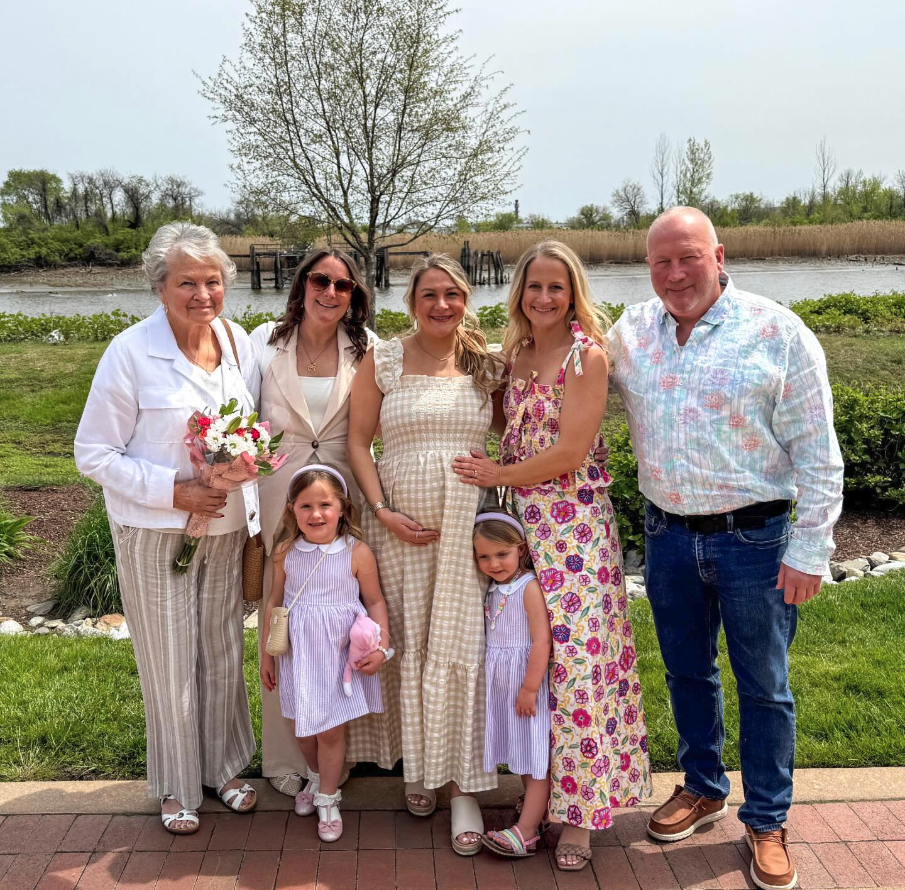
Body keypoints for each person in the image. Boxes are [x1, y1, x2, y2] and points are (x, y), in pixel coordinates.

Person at [608, 207, 844, 890]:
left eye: (687, 258)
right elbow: (561, 366)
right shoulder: (630, 334)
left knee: (763, 687)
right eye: (660, 262)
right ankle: (702, 786)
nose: (674, 274)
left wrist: (810, 550)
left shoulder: (777, 332)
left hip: (756, 540)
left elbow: (818, 455)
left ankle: (766, 820)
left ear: (718, 254)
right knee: (687, 671)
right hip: (666, 535)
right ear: (647, 266)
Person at [453, 240, 653, 872]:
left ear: (573, 294)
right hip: (519, 525)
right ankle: (535, 796)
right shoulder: (513, 356)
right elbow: (493, 420)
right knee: (525, 659)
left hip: (573, 529)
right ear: (519, 293)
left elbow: (570, 451)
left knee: (574, 665)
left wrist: (499, 468)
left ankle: (581, 819)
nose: (543, 298)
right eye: (534, 287)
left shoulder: (585, 358)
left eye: (556, 288)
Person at [74, 222, 260, 835]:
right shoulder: (129, 352)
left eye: (212, 281)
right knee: (170, 660)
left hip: (227, 526)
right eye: (187, 282)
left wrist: (239, 468)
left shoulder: (238, 344)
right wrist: (175, 491)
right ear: (159, 286)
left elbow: (247, 429)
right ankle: (178, 785)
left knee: (222, 650)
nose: (202, 294)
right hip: (155, 531)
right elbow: (93, 453)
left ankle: (227, 768)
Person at [347, 254, 504, 856]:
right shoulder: (382, 358)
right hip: (399, 523)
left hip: (465, 520)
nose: (441, 305)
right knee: (408, 637)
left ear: (466, 299)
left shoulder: (485, 363)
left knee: (462, 641)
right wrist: (381, 507)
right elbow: (360, 441)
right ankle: (417, 766)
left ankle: (463, 786)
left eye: (453, 294)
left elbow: (510, 430)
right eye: (429, 294)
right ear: (411, 300)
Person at [250, 248, 375, 798]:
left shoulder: (369, 348)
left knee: (342, 616)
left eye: (342, 285)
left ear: (354, 296)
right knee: (283, 617)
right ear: (301, 285)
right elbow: (240, 413)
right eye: (320, 280)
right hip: (282, 494)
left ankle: (344, 754)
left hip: (343, 497)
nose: (330, 292)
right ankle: (285, 755)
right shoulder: (263, 344)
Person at [260, 464, 388, 842]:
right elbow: (274, 602)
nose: (316, 514)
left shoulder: (356, 552)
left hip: (337, 656)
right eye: (305, 506)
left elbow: (376, 601)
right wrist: (267, 654)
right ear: (291, 511)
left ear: (343, 508)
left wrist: (382, 646)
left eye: (325, 505)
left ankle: (329, 798)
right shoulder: (285, 552)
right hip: (298, 656)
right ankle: (315, 777)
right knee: (302, 727)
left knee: (330, 731)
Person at [472, 513, 552, 860]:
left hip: (524, 683)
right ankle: (538, 813)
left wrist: (530, 688)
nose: (493, 563)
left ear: (520, 549)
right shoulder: (491, 587)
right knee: (521, 753)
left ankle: (527, 831)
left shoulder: (527, 587)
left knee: (534, 758)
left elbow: (540, 641)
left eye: (501, 554)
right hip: (503, 685)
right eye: (484, 557)